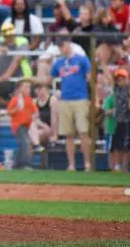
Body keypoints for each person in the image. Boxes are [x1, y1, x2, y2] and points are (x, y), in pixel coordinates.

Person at [50, 37, 92, 172]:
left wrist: (91, 97)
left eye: (63, 45)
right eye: (60, 46)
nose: (62, 48)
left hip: (80, 98)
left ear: (69, 44)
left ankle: (87, 163)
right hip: (65, 99)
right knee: (69, 134)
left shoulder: (81, 59)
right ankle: (71, 165)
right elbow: (50, 77)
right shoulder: (59, 62)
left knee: (84, 132)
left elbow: (90, 78)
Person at [109, 68, 130, 172]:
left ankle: (125, 167)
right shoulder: (116, 89)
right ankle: (117, 165)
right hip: (118, 120)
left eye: (122, 79)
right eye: (118, 80)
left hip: (128, 120)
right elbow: (110, 77)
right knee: (116, 144)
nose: (120, 82)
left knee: (126, 146)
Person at [7, 79, 38, 169]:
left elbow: (34, 112)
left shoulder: (29, 100)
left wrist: (34, 117)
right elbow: (9, 112)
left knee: (23, 144)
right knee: (25, 143)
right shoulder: (15, 99)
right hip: (18, 125)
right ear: (20, 89)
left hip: (26, 126)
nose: (28, 89)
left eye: (29, 87)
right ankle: (26, 164)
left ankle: (16, 164)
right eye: (25, 87)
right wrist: (17, 108)